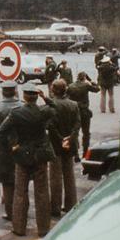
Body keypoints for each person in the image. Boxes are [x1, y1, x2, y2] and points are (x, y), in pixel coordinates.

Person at [0, 83, 56, 237]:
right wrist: (45, 97)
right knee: (42, 192)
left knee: (20, 192)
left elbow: (1, 131)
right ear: (36, 97)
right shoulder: (43, 111)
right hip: (40, 155)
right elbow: (55, 107)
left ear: (24, 96)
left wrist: (12, 146)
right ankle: (43, 228)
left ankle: (19, 227)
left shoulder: (16, 113)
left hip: (22, 155)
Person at [0, 80, 21, 221]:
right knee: (21, 180)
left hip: (3, 150)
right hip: (20, 148)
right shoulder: (22, 106)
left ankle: (10, 212)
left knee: (7, 182)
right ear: (15, 91)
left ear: (2, 92)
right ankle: (21, 209)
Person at [47, 79, 80, 218]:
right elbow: (77, 125)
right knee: (69, 175)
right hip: (70, 144)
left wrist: (61, 139)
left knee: (55, 177)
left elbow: (51, 126)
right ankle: (70, 204)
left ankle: (55, 207)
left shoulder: (51, 105)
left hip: (55, 145)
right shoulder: (74, 104)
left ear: (53, 90)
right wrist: (70, 138)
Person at [67, 72, 100, 158]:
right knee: (86, 133)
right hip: (84, 111)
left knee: (75, 133)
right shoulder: (86, 85)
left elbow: (66, 96)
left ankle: (76, 154)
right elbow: (97, 89)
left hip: (74, 112)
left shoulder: (70, 86)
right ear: (84, 77)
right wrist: (91, 81)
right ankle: (85, 153)